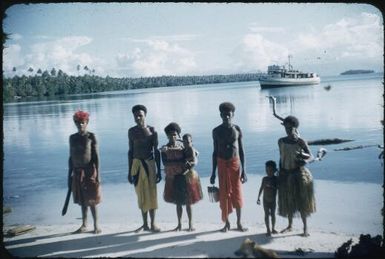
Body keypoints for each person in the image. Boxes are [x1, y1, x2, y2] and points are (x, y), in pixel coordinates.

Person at [210, 102, 248, 232]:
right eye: (223, 114)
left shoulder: (237, 129)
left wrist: (244, 171)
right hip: (221, 164)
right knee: (224, 195)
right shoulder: (216, 131)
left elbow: (242, 150)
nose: (226, 116)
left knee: (237, 193)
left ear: (233, 114)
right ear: (220, 115)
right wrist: (213, 172)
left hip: (234, 164)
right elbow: (215, 152)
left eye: (228, 114)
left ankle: (239, 223)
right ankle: (227, 223)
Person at [277, 115, 316, 237]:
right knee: (288, 201)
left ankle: (305, 228)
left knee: (302, 202)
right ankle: (290, 226)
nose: (288, 130)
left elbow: (311, 156)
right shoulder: (281, 141)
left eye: (290, 128)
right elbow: (281, 156)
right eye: (286, 128)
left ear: (295, 127)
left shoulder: (300, 141)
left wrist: (305, 161)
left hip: (298, 174)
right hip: (285, 173)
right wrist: (280, 171)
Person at [128, 104, 161, 233]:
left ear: (145, 115)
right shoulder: (132, 131)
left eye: (140, 115)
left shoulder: (152, 131)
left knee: (152, 194)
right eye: (135, 115)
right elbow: (130, 151)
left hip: (149, 164)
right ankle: (145, 224)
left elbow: (156, 151)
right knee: (141, 195)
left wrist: (159, 170)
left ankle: (153, 223)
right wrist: (129, 171)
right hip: (136, 165)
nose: (138, 117)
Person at [68, 110, 102, 234]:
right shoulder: (72, 138)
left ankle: (96, 225)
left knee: (92, 200)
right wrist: (69, 175)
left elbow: (96, 157)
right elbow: (70, 158)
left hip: (89, 172)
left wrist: (98, 175)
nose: (80, 125)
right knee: (82, 201)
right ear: (75, 123)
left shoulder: (91, 136)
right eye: (77, 122)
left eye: (82, 122)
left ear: (87, 122)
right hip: (77, 173)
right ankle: (84, 224)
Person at [182, 133, 203, 230]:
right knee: (186, 201)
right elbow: (197, 154)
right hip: (185, 175)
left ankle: (190, 224)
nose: (187, 143)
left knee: (188, 202)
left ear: (191, 142)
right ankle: (187, 224)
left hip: (189, 176)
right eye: (185, 142)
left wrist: (188, 164)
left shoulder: (190, 149)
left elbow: (194, 162)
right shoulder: (185, 148)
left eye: (189, 141)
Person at [257, 160, 278, 237]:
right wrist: (258, 197)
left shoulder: (276, 179)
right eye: (266, 170)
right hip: (265, 200)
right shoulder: (264, 179)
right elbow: (261, 188)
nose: (268, 172)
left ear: (274, 171)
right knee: (266, 215)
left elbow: (278, 188)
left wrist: (272, 186)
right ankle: (268, 229)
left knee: (273, 215)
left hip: (273, 201)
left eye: (270, 170)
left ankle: (273, 228)